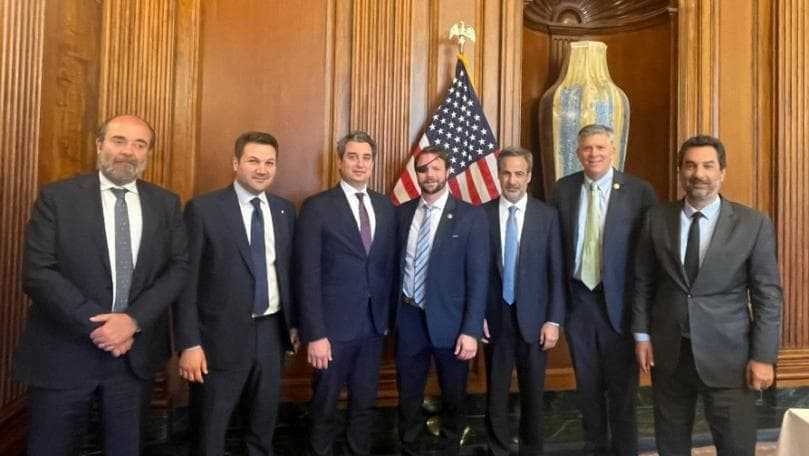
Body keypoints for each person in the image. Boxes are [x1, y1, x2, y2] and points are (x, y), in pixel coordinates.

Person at [14, 114, 189, 456]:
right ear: (99, 145)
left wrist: (132, 321)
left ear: (148, 153)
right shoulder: (58, 198)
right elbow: (38, 272)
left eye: (140, 144)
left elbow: (178, 268)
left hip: (133, 357)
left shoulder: (166, 203)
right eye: (119, 141)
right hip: (63, 353)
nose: (128, 151)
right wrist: (101, 326)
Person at [632, 135, 782, 456]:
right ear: (680, 172)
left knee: (736, 446)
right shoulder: (656, 218)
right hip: (669, 353)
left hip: (730, 358)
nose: (698, 174)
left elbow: (768, 296)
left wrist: (764, 357)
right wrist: (641, 335)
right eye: (690, 166)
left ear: (722, 172)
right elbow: (643, 281)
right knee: (671, 444)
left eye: (707, 166)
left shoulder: (752, 224)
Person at [174, 131, 298, 455]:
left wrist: (294, 323)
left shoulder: (284, 211)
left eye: (269, 163)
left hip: (271, 334)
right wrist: (189, 343)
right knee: (211, 430)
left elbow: (288, 272)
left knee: (263, 425)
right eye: (253, 161)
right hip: (217, 339)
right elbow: (186, 283)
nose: (262, 169)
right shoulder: (203, 209)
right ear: (235, 163)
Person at [551, 124, 656, 455]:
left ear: (613, 149)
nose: (593, 154)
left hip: (620, 307)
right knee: (588, 390)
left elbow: (648, 257)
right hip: (579, 302)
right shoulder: (563, 189)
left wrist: (643, 320)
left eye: (600, 147)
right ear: (577, 153)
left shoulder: (639, 192)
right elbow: (555, 250)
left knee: (623, 393)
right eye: (587, 148)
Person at [295, 131, 397, 456]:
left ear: (373, 163)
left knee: (364, 405)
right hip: (331, 331)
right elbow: (306, 275)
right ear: (340, 162)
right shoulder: (317, 207)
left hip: (373, 328)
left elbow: (388, 266)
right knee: (324, 406)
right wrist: (315, 334)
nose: (360, 164)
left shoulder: (385, 206)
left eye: (366, 158)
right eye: (352, 157)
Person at [395, 145, 489, 456]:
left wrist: (471, 329)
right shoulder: (402, 213)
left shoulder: (470, 216)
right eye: (423, 169)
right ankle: (409, 447)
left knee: (453, 395)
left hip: (452, 323)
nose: (429, 175)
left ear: (448, 171)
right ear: (416, 174)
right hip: (409, 317)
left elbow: (479, 278)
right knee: (408, 394)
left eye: (436, 168)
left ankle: (450, 447)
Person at [481, 146, 565, 456]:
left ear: (529, 176)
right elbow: (476, 273)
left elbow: (556, 273)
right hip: (494, 320)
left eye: (519, 173)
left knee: (533, 393)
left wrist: (553, 320)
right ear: (497, 175)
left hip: (536, 320)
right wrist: (476, 316)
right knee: (495, 394)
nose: (512, 180)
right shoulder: (482, 215)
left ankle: (532, 450)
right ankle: (498, 450)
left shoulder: (547, 216)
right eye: (506, 173)